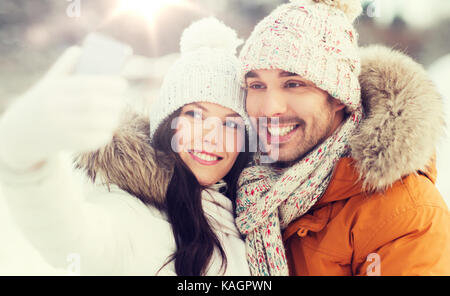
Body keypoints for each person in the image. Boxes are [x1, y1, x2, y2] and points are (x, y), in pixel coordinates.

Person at [0, 17, 251, 276]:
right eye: (195, 116)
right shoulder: (133, 215)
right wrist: (22, 158)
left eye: (231, 125)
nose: (212, 137)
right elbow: (68, 237)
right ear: (168, 123)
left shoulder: (251, 219)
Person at [235, 0, 450, 276]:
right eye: (257, 85)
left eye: (294, 84)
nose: (269, 108)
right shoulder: (245, 186)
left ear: (339, 97)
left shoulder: (405, 213)